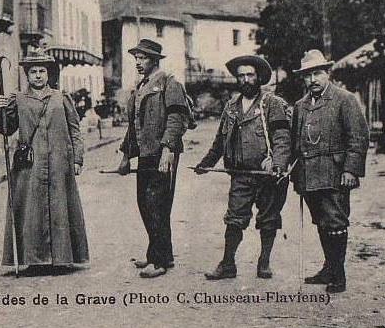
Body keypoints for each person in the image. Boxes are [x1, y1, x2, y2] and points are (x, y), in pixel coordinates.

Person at [194, 55, 291, 280]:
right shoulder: (230, 108)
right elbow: (220, 141)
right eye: (241, 76)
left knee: (268, 219)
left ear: (258, 77)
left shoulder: (272, 104)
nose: (245, 80)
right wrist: (206, 163)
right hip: (240, 175)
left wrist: (277, 164)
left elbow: (282, 137)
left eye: (250, 75)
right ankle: (228, 264)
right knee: (234, 219)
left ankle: (264, 262)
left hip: (268, 176)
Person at [0, 50, 88, 274]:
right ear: (27, 75)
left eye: (42, 71)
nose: (37, 76)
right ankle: (34, 260)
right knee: (31, 210)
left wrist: (77, 158)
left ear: (49, 74)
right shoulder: (18, 99)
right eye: (33, 72)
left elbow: (75, 130)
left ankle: (61, 258)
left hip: (58, 163)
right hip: (30, 165)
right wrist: (0, 109)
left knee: (60, 208)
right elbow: (6, 128)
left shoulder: (61, 97)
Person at [291, 50, 369, 293]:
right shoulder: (300, 105)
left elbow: (358, 137)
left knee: (335, 222)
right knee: (322, 223)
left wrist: (351, 170)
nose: (312, 80)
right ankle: (329, 268)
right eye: (307, 75)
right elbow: (296, 140)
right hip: (308, 174)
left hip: (335, 174)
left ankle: (339, 274)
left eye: (317, 73)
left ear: (327, 74)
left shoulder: (344, 99)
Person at [116, 39, 188, 278]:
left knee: (157, 204)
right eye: (136, 58)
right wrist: (126, 156)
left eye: (143, 58)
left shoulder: (169, 83)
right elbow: (133, 125)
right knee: (145, 204)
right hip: (146, 154)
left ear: (155, 60)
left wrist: (168, 150)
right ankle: (160, 254)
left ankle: (158, 262)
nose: (138, 62)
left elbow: (176, 118)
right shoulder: (140, 87)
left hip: (162, 153)